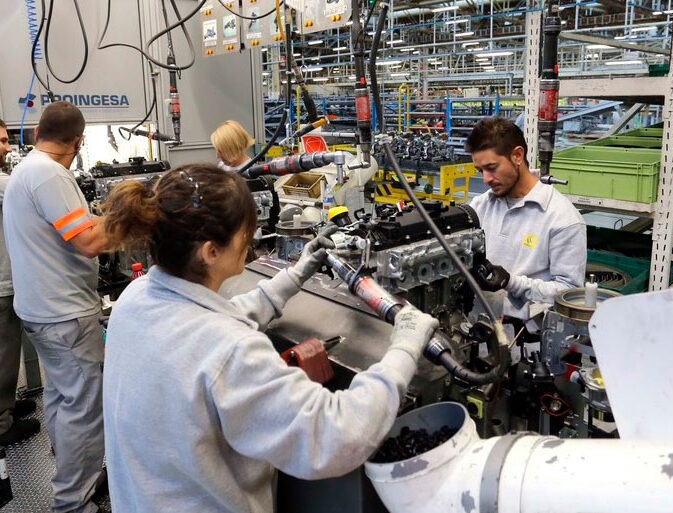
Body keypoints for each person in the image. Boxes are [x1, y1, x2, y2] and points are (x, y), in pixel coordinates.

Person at [99, 163, 438, 513]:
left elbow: (212, 320)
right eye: (246, 231)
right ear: (210, 251)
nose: (253, 237)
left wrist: (294, 276)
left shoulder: (136, 297)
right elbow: (337, 435)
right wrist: (404, 349)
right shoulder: (229, 351)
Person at [3, 102, 111, 513]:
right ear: (79, 142)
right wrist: (130, 220)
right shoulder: (50, 175)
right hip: (64, 313)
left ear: (34, 134)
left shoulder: (28, 170)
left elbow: (73, 228)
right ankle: (72, 500)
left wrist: (99, 217)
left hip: (41, 309)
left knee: (63, 400)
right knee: (84, 410)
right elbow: (87, 242)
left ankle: (74, 469)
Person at [466, 116, 586, 332]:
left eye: (491, 167)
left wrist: (511, 282)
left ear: (517, 155)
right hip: (477, 330)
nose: (485, 179)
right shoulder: (480, 205)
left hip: (526, 341)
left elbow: (569, 293)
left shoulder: (562, 218)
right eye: (480, 171)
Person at [0, 118, 40, 446]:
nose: (7, 147)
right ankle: (2, 423)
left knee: (7, 352)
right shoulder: (4, 183)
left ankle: (7, 405)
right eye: (0, 141)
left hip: (7, 278)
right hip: (2, 282)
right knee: (3, 352)